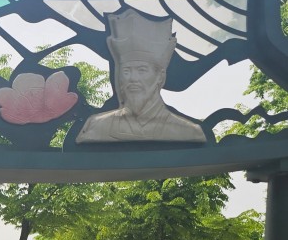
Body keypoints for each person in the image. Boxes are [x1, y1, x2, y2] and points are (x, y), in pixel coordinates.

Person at [77, 10, 206, 144]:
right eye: (126, 71)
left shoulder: (187, 131)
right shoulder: (97, 127)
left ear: (160, 76)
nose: (133, 78)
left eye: (142, 70)